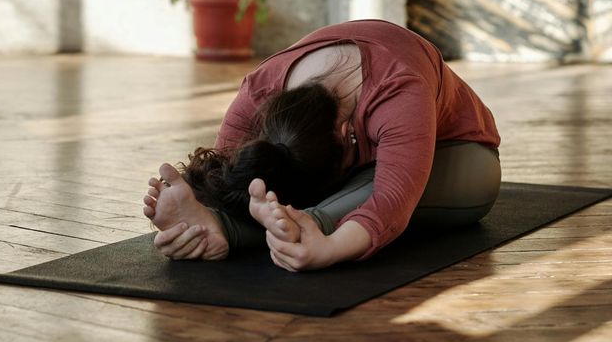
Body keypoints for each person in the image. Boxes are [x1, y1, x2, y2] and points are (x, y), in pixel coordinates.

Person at [142, 19, 502, 271]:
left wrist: (329, 249)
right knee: (269, 184)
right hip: (351, 176)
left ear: (348, 133)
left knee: (378, 181)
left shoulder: (398, 91)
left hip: (462, 159)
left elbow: (391, 202)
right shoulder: (262, 88)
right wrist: (201, 222)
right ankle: (234, 228)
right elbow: (233, 174)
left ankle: (302, 226)